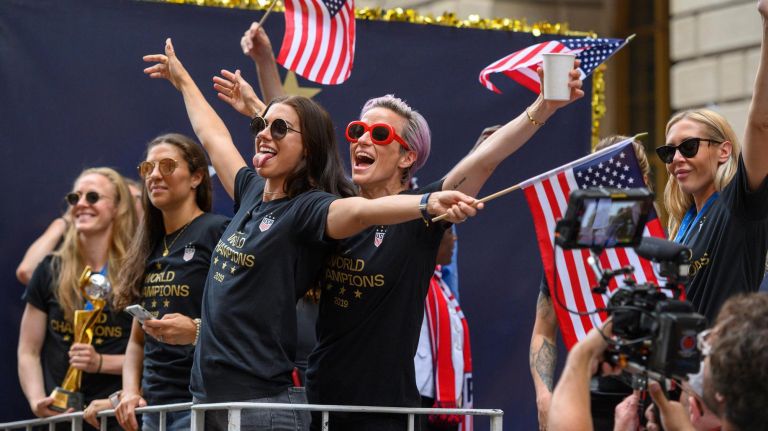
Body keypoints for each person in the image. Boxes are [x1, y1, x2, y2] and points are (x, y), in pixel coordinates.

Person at [216, 22, 582, 430]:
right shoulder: (334, 205)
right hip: (319, 404)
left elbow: (485, 159)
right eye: (357, 131)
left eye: (378, 133)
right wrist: (266, 65)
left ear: (407, 157)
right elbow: (293, 134)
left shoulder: (422, 215)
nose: (360, 141)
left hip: (386, 411)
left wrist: (544, 106)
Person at [142, 38, 478, 431]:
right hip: (210, 399)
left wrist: (425, 204)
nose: (264, 133)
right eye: (260, 126)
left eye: (278, 129)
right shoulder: (251, 191)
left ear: (307, 151)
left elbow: (361, 210)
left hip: (258, 407)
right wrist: (183, 81)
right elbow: (212, 135)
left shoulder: (308, 209)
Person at [80, 134, 228, 431]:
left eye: (168, 166)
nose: (155, 175)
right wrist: (131, 392)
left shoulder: (217, 232)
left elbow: (241, 318)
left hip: (201, 404)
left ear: (197, 177)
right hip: (154, 409)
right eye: (148, 168)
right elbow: (137, 340)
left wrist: (195, 329)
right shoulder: (149, 244)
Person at [529, 136, 653, 431]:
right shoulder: (571, 254)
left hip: (645, 403)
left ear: (643, 180)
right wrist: (544, 396)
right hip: (585, 399)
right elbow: (544, 329)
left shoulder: (661, 245)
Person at [17, 167, 138, 428]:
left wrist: (101, 362)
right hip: (60, 417)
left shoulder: (136, 272)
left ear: (117, 208)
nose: (81, 204)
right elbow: (28, 349)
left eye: (93, 197)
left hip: (114, 416)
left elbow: (150, 355)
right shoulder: (50, 268)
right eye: (75, 198)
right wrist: (36, 399)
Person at [16, 180, 144, 286]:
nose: (82, 203)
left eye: (132, 200)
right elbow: (26, 272)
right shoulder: (67, 263)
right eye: (75, 198)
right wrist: (66, 220)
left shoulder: (141, 261)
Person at [415, 228, 473, 431]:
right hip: (418, 397)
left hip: (441, 398)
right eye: (448, 231)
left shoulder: (442, 289)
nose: (454, 237)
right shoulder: (414, 283)